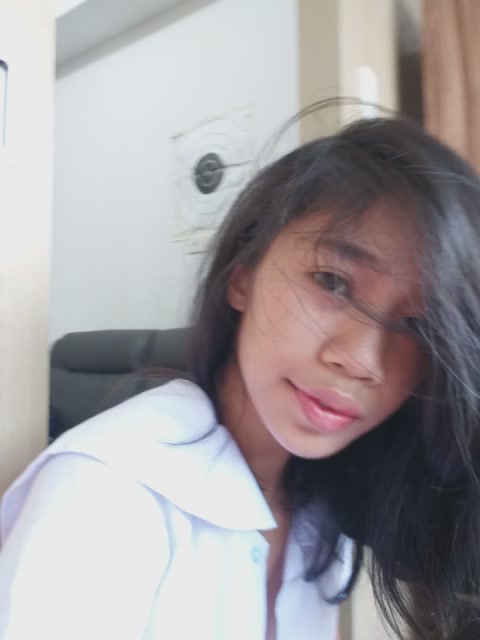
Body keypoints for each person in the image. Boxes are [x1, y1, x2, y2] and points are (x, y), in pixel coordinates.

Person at [1, 114, 480, 640]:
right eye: (332, 281)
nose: (364, 361)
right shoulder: (107, 494)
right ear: (243, 278)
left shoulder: (330, 507)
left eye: (417, 326)